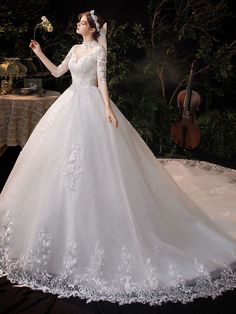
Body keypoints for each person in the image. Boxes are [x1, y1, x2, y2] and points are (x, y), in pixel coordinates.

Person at [0, 10, 236, 306]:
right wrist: (38, 54)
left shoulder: (98, 50)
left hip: (90, 106)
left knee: (96, 168)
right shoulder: (74, 49)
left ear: (92, 28)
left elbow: (101, 83)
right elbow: (58, 74)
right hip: (68, 105)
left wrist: (108, 110)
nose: (77, 24)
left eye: (82, 22)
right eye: (78, 21)